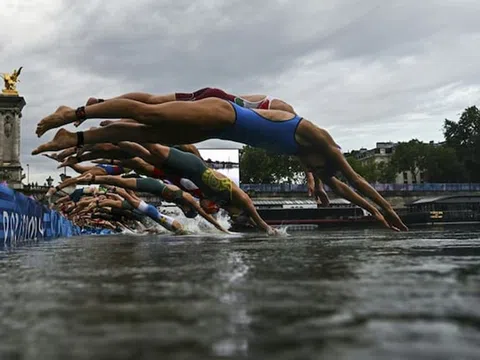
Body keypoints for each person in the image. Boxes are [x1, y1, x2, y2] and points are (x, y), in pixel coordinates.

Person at [34, 96, 407, 231]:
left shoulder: (321, 164)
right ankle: (75, 114)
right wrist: (386, 207)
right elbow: (356, 179)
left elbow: (346, 189)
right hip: (227, 114)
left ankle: (76, 138)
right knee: (149, 117)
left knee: (146, 131)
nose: (327, 178)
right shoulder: (322, 140)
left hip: (226, 129)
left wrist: (373, 215)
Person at [74, 172, 230, 233]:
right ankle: (97, 180)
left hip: (152, 205)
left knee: (134, 201)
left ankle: (100, 182)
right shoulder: (188, 198)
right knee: (132, 199)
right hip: (155, 195)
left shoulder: (189, 200)